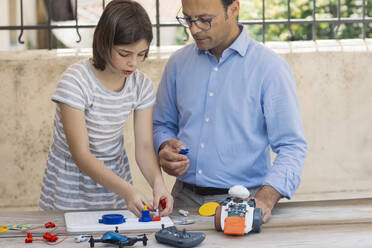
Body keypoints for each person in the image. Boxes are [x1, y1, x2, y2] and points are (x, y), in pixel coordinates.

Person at [153, 0, 307, 223]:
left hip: (245, 203)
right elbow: (162, 125)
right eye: (188, 19)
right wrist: (165, 146)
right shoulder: (178, 63)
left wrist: (266, 197)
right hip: (182, 200)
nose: (194, 29)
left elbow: (292, 146)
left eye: (205, 20)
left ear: (233, 10)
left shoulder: (270, 68)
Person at [39, 0, 173, 217]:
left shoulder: (141, 85)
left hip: (115, 182)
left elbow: (145, 147)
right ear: (104, 43)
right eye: (124, 53)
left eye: (141, 54)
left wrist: (159, 184)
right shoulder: (75, 81)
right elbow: (81, 155)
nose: (133, 63)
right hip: (71, 185)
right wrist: (128, 191)